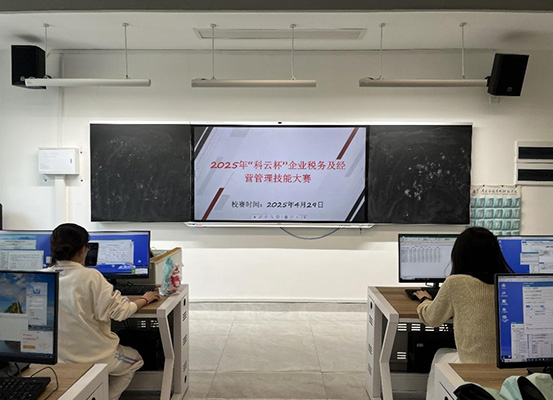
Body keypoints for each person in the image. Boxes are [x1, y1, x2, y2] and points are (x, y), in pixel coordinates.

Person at [47, 223, 160, 400]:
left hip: (56, 359)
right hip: (95, 356)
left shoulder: (42, 277)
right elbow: (121, 312)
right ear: (83, 249)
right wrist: (144, 299)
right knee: (136, 360)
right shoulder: (91, 277)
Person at [413, 227, 512, 400]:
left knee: (441, 354)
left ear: (459, 255)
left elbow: (432, 319)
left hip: (472, 366)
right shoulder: (508, 282)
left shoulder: (455, 283)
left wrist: (424, 301)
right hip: (509, 367)